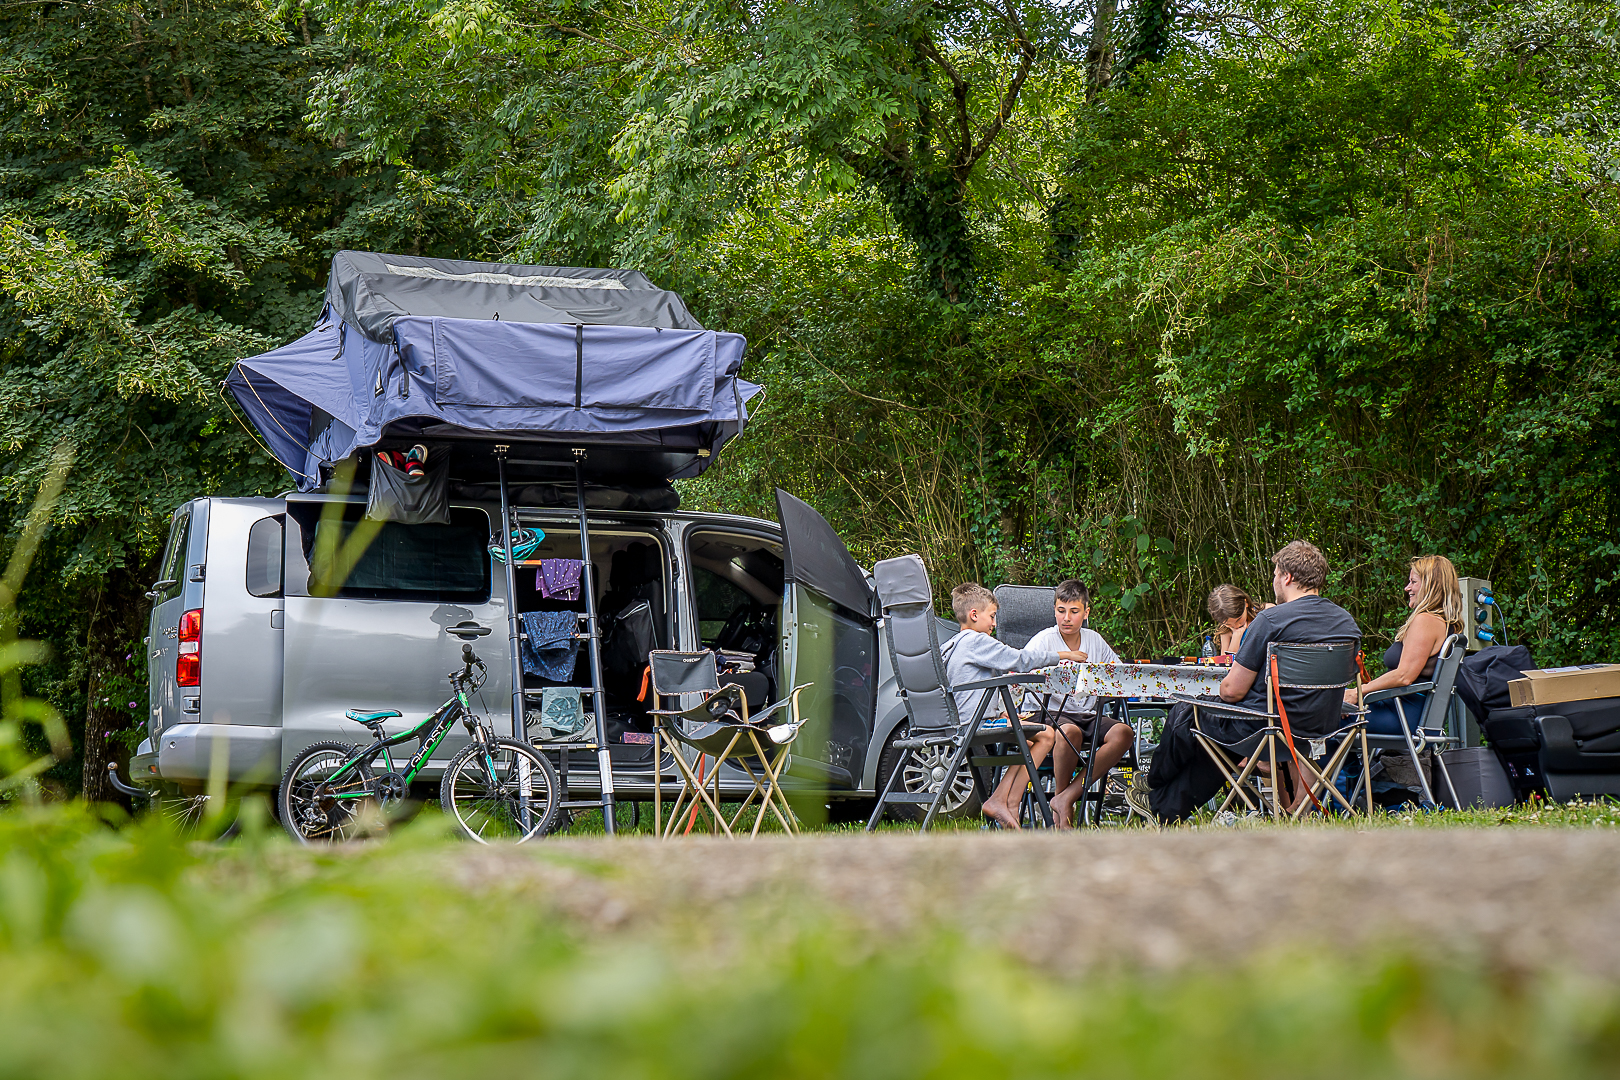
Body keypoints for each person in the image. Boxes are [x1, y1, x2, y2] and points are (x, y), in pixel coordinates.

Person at [1128, 540, 1361, 823]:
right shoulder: (1347, 623)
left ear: (1287, 576)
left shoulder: (1271, 620)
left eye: (1276, 573)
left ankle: (1153, 782)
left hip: (1268, 726)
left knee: (1188, 711)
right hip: (1321, 727)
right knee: (1216, 741)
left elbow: (1231, 691)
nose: (1274, 579)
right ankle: (1162, 807)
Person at [940, 582, 1086, 828]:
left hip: (962, 722)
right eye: (992, 616)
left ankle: (1004, 801)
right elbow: (1020, 660)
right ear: (974, 615)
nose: (995, 624)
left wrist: (1004, 712)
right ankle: (1006, 800)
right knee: (1046, 735)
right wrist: (1063, 655)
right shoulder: (977, 641)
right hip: (978, 724)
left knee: (1029, 739)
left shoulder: (952, 645)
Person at [1018, 580, 1130, 828]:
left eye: (1074, 611)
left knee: (1123, 732)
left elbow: (1119, 675)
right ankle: (1063, 809)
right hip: (1045, 712)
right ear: (1054, 610)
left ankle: (1065, 797)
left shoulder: (1095, 641)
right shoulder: (1043, 641)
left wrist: (1105, 685)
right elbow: (1019, 671)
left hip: (1084, 712)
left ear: (1086, 612)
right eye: (1061, 610)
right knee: (1070, 732)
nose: (1066, 618)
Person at [1347, 555, 1465, 735]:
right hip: (1409, 713)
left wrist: (1357, 693)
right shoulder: (1448, 625)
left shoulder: (1426, 620)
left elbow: (1404, 676)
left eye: (1413, 582)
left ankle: (1345, 765)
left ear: (1430, 585)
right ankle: (1349, 764)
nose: (1407, 588)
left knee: (1318, 717)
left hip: (1401, 716)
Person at [1207, 584, 1262, 656]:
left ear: (1246, 603)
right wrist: (1237, 635)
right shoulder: (1225, 630)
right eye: (1229, 624)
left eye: (1239, 619)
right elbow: (1226, 661)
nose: (1236, 626)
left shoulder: (1264, 614)